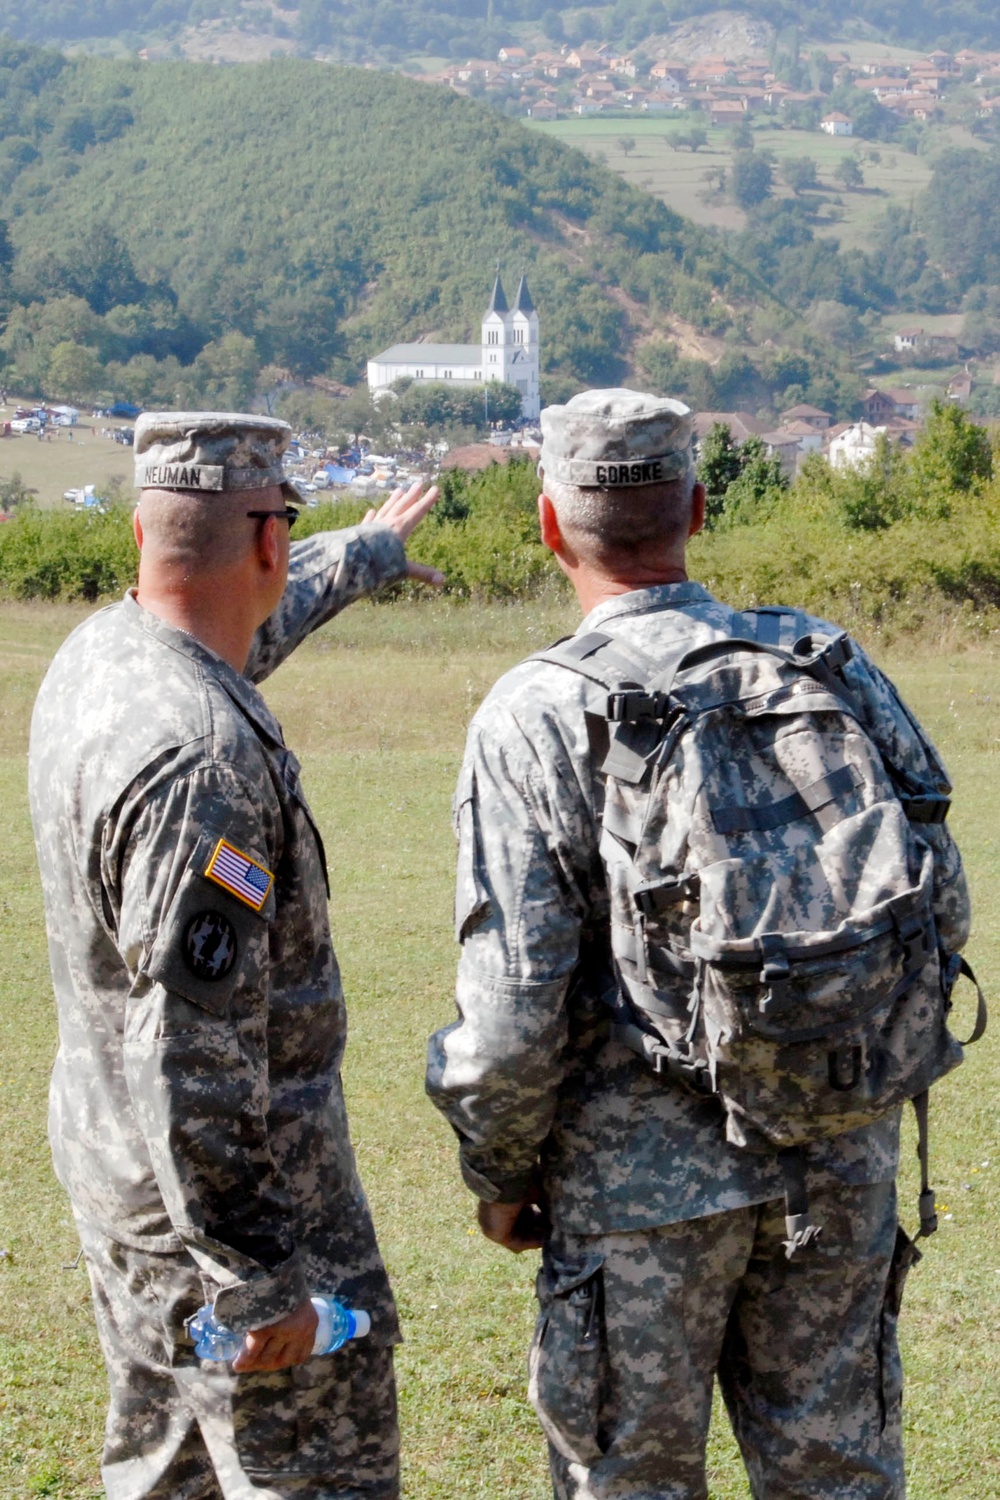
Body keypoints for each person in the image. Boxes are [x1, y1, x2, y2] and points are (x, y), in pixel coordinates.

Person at [426, 389, 971, 1500]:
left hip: (638, 1195)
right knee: (837, 1480)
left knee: (627, 1483)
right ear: (699, 507)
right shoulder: (824, 663)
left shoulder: (533, 713)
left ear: (546, 523)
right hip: (834, 1156)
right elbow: (934, 902)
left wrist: (499, 1170)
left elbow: (513, 1006)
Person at [29, 411, 442, 1500]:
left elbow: (237, 631)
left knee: (169, 1475)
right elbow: (195, 1062)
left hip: (127, 1186)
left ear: (142, 533)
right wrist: (264, 1288)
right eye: (289, 540)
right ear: (266, 541)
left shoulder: (102, 657)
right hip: (230, 1222)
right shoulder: (200, 764)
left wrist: (358, 555)